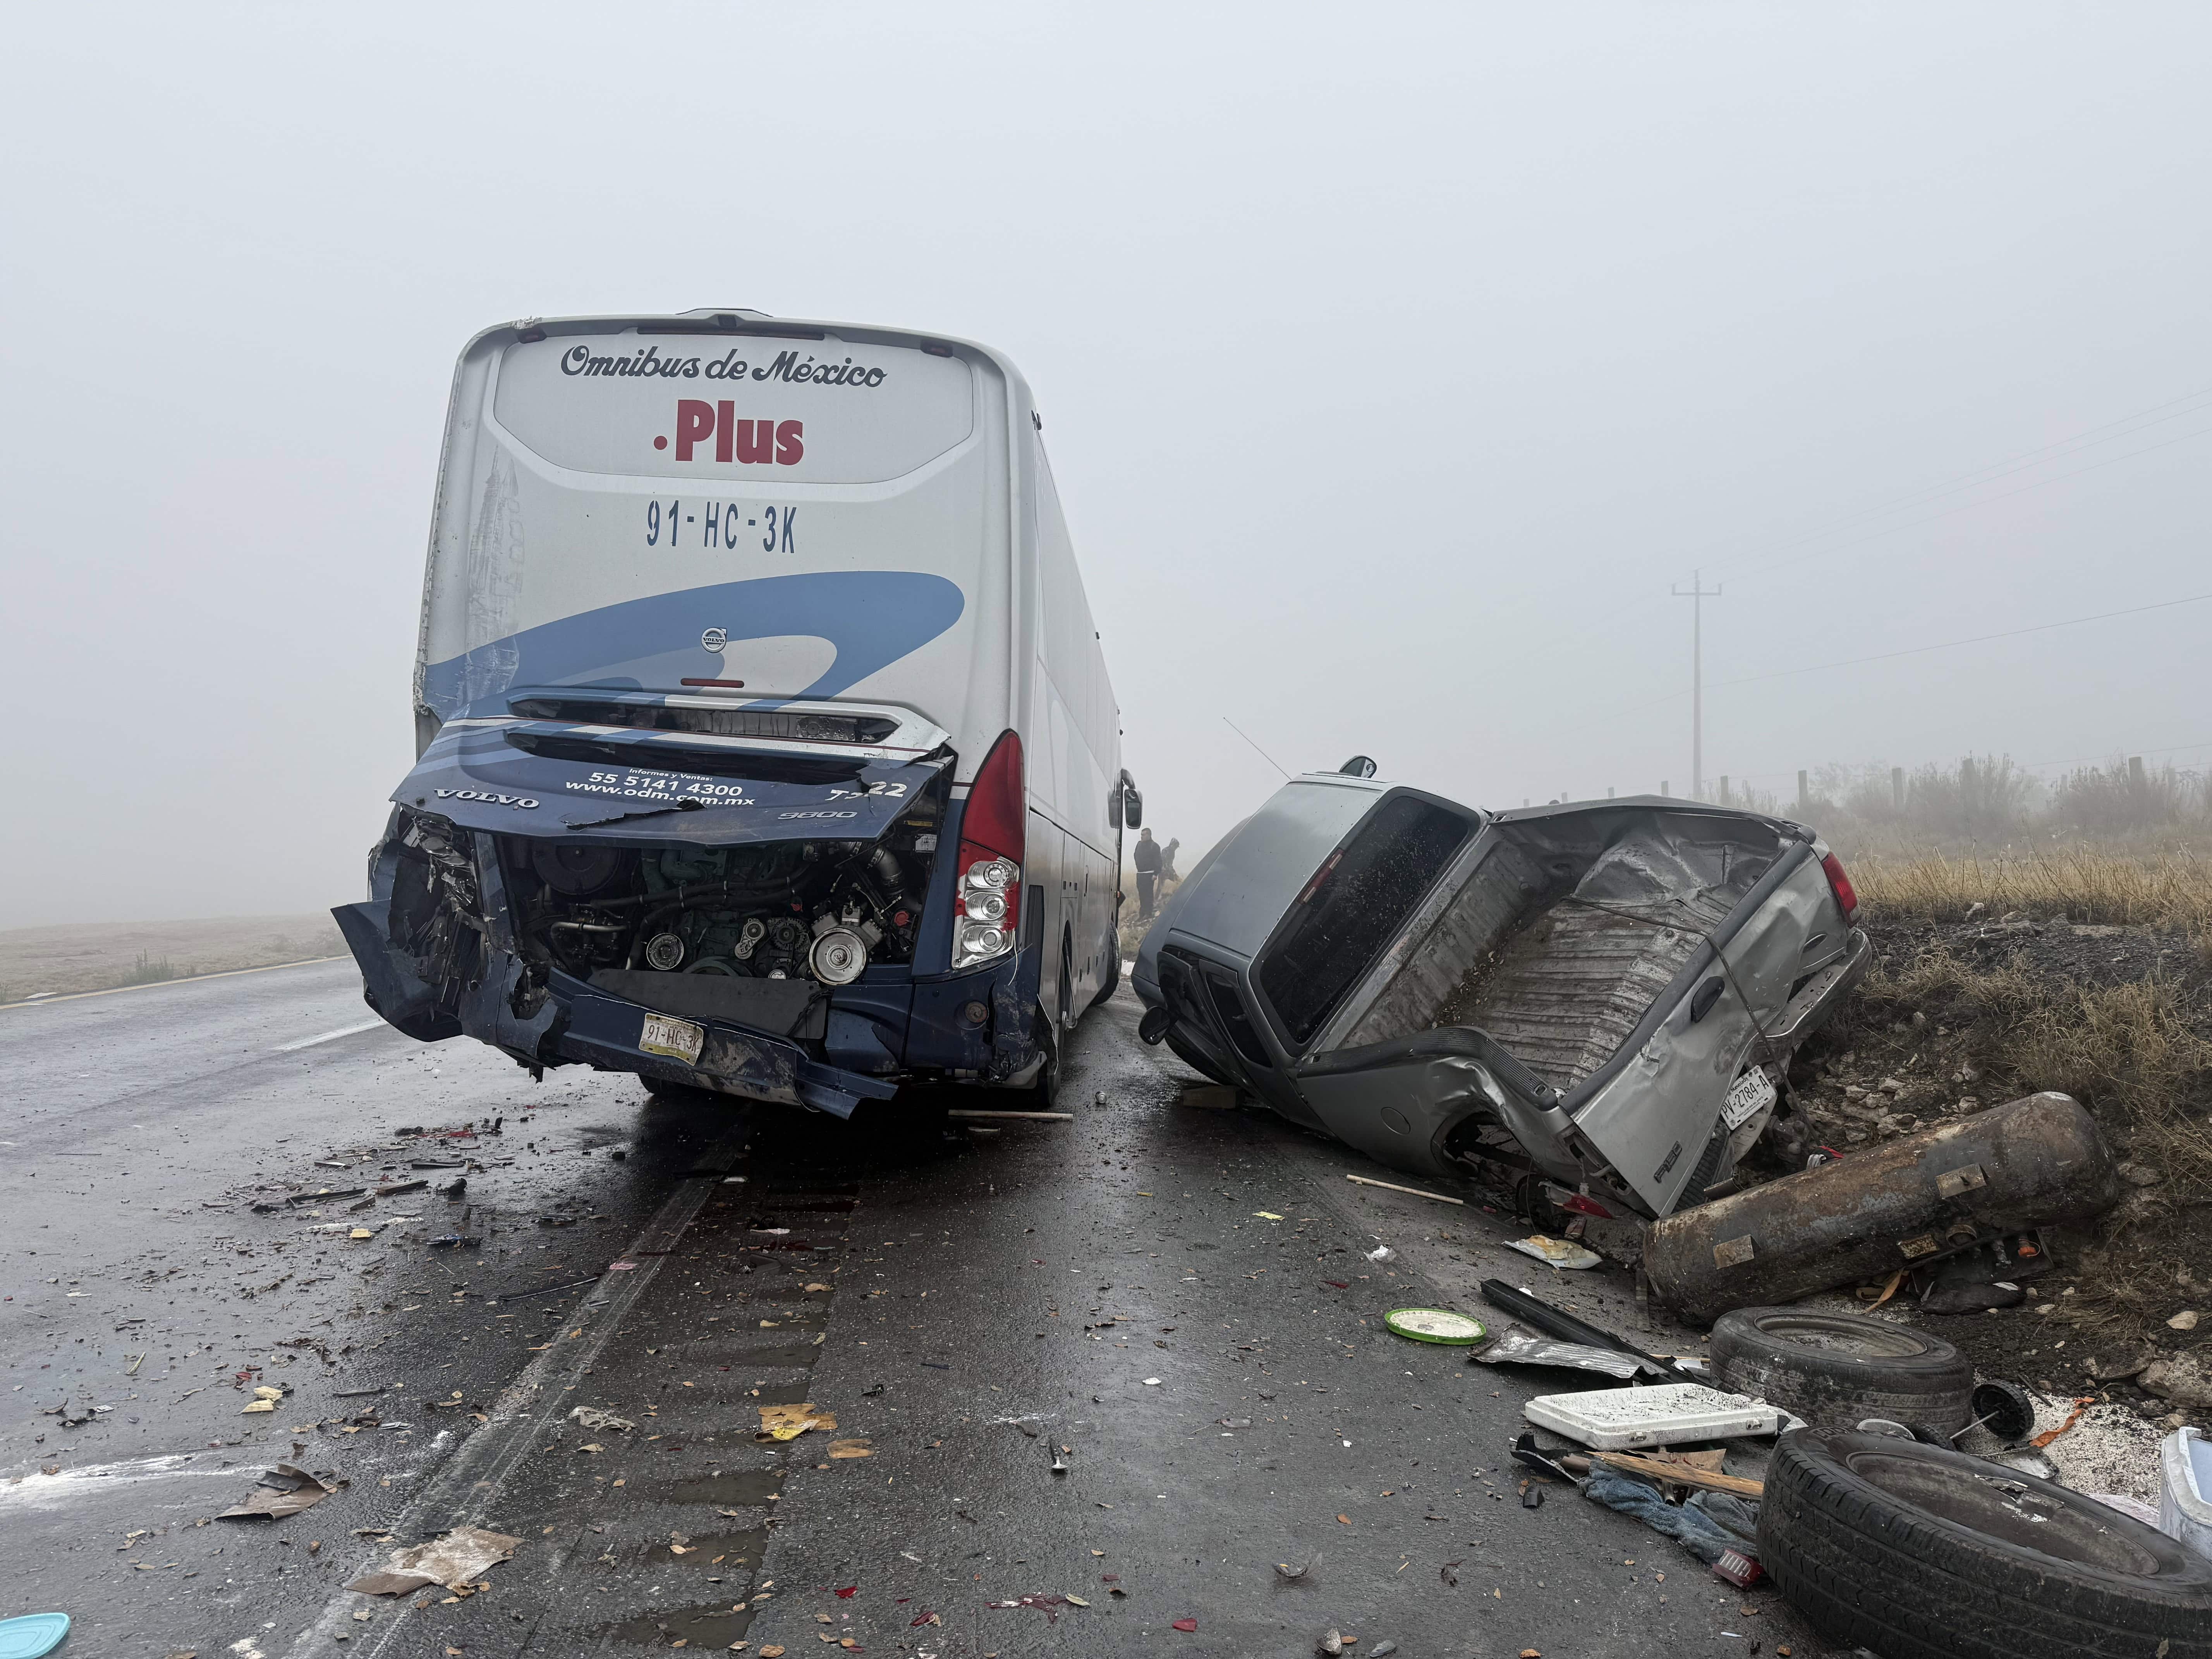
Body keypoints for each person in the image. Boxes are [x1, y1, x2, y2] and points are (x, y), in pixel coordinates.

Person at [1132, 827, 1162, 920]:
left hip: (1150, 874)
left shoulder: (1155, 846)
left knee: (1148, 894)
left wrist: (1156, 874)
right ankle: (1142, 913)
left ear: (1149, 835)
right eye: (1141, 835)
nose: (1142, 837)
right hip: (1140, 873)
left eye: (1144, 835)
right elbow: (1135, 855)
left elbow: (1158, 861)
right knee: (1141, 893)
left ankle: (1148, 913)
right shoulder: (1139, 844)